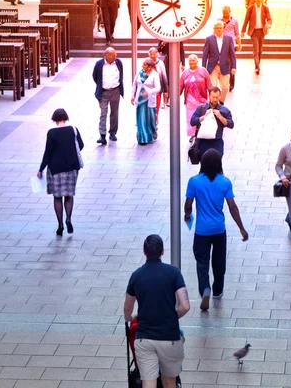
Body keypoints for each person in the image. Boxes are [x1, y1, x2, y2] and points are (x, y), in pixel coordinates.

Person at [184, 149, 248, 310]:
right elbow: (232, 207)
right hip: (219, 229)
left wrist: (187, 215)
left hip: (201, 231)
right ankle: (217, 290)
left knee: (202, 261)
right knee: (219, 262)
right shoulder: (225, 182)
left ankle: (205, 288)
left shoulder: (194, 181)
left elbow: (188, 204)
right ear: (219, 163)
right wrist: (241, 228)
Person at [123, 234, 190, 388]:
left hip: (144, 338)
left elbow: (127, 310)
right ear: (163, 252)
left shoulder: (136, 275)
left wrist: (131, 316)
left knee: (148, 383)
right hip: (170, 338)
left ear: (144, 252)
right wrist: (173, 316)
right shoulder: (174, 272)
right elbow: (185, 306)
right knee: (169, 382)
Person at [37, 108, 84, 237]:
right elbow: (81, 145)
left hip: (56, 168)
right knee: (69, 195)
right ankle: (68, 219)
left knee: (57, 197)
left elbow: (48, 153)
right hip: (71, 168)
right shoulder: (73, 129)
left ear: (54, 119)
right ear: (66, 117)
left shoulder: (51, 133)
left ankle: (60, 225)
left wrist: (41, 168)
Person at [92, 47, 124, 145]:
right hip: (103, 92)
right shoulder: (99, 64)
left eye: (115, 55)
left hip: (115, 90)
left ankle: (113, 133)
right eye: (113, 55)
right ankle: (102, 135)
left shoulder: (118, 62)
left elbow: (121, 75)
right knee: (103, 113)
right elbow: (95, 76)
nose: (115, 56)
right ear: (106, 55)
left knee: (114, 113)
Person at [190, 87, 234, 158]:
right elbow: (192, 121)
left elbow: (231, 124)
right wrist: (203, 118)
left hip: (217, 142)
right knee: (204, 165)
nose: (215, 99)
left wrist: (220, 117)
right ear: (209, 96)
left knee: (217, 165)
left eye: (217, 97)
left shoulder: (224, 110)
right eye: (213, 97)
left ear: (220, 96)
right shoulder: (201, 108)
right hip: (203, 142)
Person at [202, 21, 236, 104]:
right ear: (214, 29)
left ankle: (221, 102)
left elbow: (232, 54)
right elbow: (205, 54)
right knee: (213, 87)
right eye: (217, 28)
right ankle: (213, 104)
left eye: (220, 28)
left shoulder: (228, 39)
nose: (218, 30)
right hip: (213, 67)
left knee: (225, 87)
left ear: (223, 28)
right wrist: (203, 69)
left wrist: (234, 67)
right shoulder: (209, 39)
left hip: (225, 66)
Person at [180, 54, 212, 140]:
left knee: (202, 116)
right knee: (190, 117)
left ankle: (201, 133)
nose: (192, 62)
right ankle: (192, 135)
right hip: (190, 100)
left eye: (193, 60)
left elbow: (209, 85)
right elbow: (180, 86)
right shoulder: (185, 73)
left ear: (197, 61)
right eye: (190, 60)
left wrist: (212, 96)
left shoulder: (203, 71)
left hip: (201, 100)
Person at [131, 58, 161, 145]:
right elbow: (134, 84)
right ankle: (142, 138)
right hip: (140, 100)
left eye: (144, 65)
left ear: (149, 67)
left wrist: (149, 92)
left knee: (150, 119)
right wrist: (132, 95)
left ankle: (152, 131)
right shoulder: (139, 73)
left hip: (149, 100)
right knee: (141, 119)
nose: (142, 66)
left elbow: (158, 88)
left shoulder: (155, 75)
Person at [241, 0, 272, 75]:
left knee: (260, 50)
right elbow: (246, 20)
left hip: (262, 31)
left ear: (262, 0)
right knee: (256, 49)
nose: (258, 1)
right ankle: (257, 67)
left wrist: (268, 24)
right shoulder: (251, 8)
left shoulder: (265, 8)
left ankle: (258, 64)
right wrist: (242, 31)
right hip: (254, 32)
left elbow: (269, 19)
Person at [217, 7, 241, 92]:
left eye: (226, 12)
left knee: (231, 64)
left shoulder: (234, 21)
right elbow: (216, 31)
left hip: (231, 45)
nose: (225, 14)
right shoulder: (219, 20)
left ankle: (231, 84)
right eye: (223, 12)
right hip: (221, 45)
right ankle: (224, 83)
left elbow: (237, 34)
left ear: (230, 12)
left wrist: (239, 44)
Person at [149, 47, 168, 120]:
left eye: (154, 54)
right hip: (148, 90)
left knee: (156, 107)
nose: (152, 56)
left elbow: (164, 76)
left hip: (157, 89)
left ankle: (155, 121)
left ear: (157, 54)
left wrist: (165, 91)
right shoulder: (146, 62)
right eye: (151, 54)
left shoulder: (160, 63)